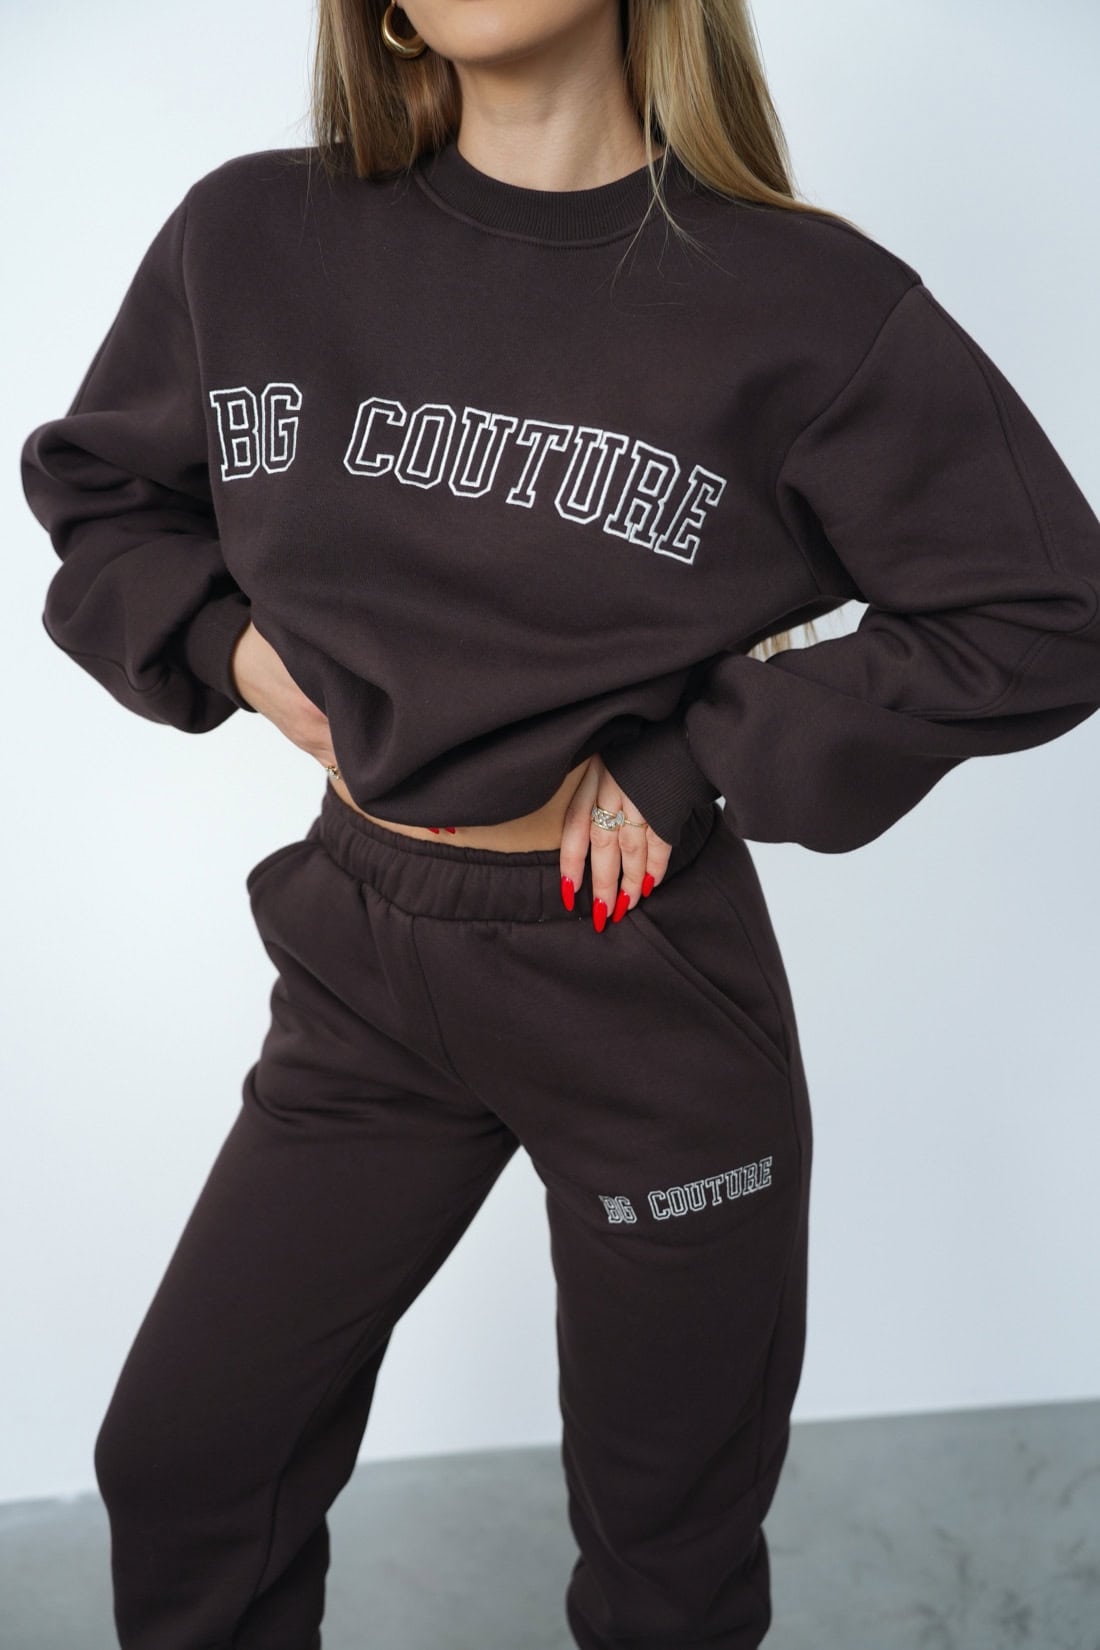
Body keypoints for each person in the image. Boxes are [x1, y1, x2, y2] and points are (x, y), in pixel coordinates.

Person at [18, 2, 1100, 1646]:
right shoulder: (251, 237)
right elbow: (104, 499)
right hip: (362, 962)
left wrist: (696, 756)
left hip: (638, 982)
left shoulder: (806, 303)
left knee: (666, 1559)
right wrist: (235, 652)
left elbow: (1044, 608)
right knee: (187, 1460)